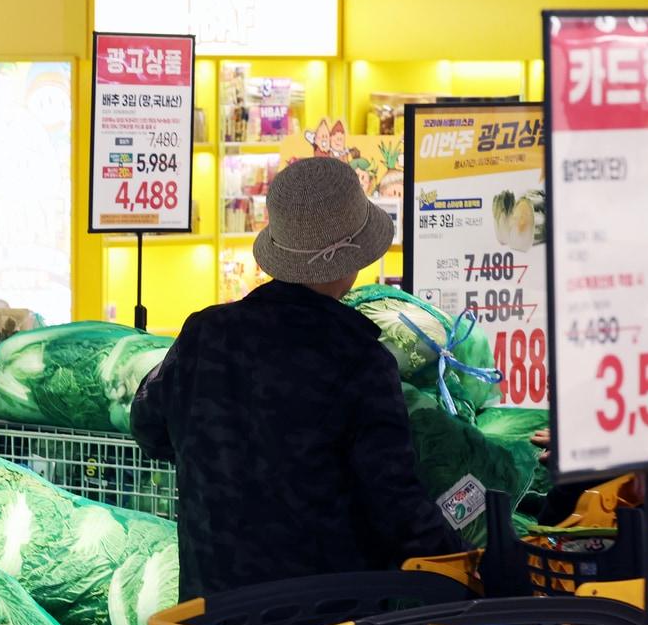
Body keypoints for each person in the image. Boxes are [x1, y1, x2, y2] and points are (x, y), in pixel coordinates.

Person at [130, 158, 464, 599]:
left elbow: (147, 427)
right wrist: (468, 563)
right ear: (352, 262)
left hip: (209, 619)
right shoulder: (359, 359)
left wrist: (228, 460)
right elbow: (393, 504)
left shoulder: (205, 334)